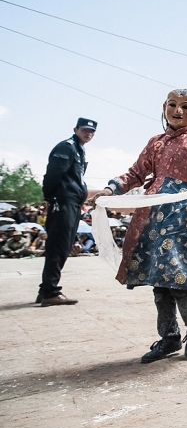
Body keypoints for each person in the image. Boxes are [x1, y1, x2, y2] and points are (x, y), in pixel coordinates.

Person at [87, 90, 187, 363]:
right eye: (172, 105)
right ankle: (169, 338)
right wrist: (111, 189)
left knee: (179, 277)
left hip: (186, 217)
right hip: (154, 217)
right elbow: (135, 173)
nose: (178, 110)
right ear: (164, 107)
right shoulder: (155, 144)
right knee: (159, 281)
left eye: (186, 106)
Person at [37, 117, 97, 306]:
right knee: (58, 246)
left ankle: (45, 289)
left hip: (72, 202)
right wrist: (50, 197)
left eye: (92, 132)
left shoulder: (79, 150)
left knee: (64, 244)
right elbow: (53, 174)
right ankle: (50, 292)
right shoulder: (67, 147)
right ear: (75, 129)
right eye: (85, 130)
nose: (88, 134)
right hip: (63, 201)